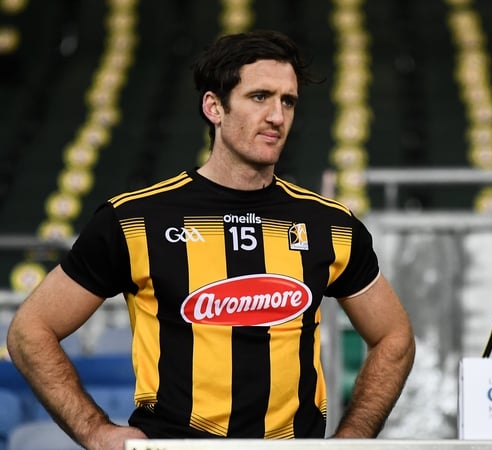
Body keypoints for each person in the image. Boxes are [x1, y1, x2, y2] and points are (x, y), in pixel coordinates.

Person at [6, 29, 416, 448]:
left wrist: (354, 437)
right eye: (260, 97)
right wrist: (93, 429)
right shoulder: (133, 219)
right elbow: (30, 330)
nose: (277, 115)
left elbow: (394, 337)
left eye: (287, 101)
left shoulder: (329, 224)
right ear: (214, 107)